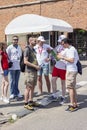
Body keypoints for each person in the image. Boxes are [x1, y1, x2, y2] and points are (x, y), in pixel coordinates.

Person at [58, 38, 79, 112]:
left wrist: (63, 57)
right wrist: (58, 55)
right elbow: (59, 55)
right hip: (70, 70)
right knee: (72, 87)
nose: (62, 45)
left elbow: (72, 60)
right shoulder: (67, 49)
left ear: (67, 43)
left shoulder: (71, 49)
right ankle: (75, 104)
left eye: (63, 44)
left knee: (70, 88)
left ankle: (72, 105)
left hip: (71, 70)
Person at [24, 37, 40, 110]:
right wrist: (35, 66)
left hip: (34, 70)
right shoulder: (27, 49)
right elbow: (25, 61)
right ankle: (26, 103)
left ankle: (31, 101)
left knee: (33, 87)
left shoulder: (33, 49)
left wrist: (37, 65)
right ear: (30, 41)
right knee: (28, 87)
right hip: (29, 71)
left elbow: (34, 59)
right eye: (34, 40)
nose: (36, 41)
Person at [49, 35, 67, 104]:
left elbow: (59, 57)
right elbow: (53, 54)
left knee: (63, 83)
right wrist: (50, 56)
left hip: (64, 67)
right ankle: (54, 95)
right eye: (59, 42)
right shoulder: (58, 47)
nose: (60, 43)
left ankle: (63, 97)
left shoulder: (67, 49)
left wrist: (57, 56)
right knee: (53, 80)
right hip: (57, 66)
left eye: (61, 42)